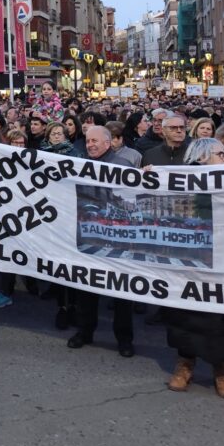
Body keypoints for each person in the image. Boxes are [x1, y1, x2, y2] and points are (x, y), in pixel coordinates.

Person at [165, 137, 224, 400]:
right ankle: (185, 364)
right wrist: (149, 177)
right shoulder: (179, 182)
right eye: (220, 154)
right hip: (192, 260)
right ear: (201, 158)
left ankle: (221, 369)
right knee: (188, 313)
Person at [69, 126, 136, 357]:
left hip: (118, 238)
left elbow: (131, 199)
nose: (90, 145)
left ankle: (124, 339)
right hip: (89, 236)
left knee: (121, 292)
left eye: (95, 141)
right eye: (88, 141)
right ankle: (84, 331)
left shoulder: (122, 166)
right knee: (86, 288)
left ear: (108, 143)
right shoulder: (81, 165)